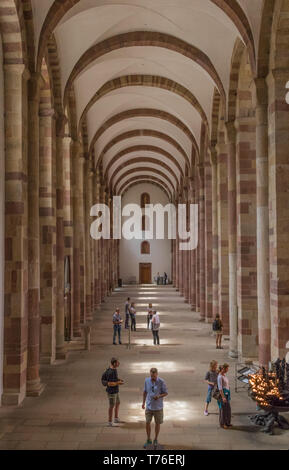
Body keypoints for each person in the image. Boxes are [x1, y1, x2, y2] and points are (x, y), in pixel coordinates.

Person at [142, 368, 168, 449]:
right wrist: (143, 402)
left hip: (158, 407)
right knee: (147, 422)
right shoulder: (147, 380)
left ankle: (156, 439)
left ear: (157, 374)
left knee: (157, 423)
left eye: (154, 376)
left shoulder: (161, 381)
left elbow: (166, 392)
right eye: (151, 376)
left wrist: (159, 396)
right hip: (149, 406)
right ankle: (148, 439)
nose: (152, 377)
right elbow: (145, 391)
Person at [103, 357, 124, 427]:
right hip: (112, 392)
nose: (119, 363)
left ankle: (116, 418)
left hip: (116, 391)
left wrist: (118, 379)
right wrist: (118, 383)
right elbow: (110, 383)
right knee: (111, 406)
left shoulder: (114, 369)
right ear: (114, 363)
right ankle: (109, 422)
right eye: (118, 363)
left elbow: (113, 379)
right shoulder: (110, 372)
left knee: (118, 403)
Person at [217, 363, 232, 429]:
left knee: (228, 409)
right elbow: (220, 388)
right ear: (223, 369)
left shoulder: (224, 375)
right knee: (223, 410)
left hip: (227, 394)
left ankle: (227, 423)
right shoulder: (219, 377)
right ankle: (222, 424)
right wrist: (223, 397)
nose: (227, 370)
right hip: (223, 395)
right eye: (226, 368)